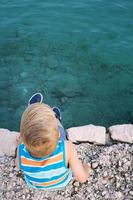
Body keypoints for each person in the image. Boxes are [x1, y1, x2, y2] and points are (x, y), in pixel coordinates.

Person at [15, 93, 92, 190]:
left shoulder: (21, 151)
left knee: (36, 129)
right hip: (61, 183)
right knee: (59, 126)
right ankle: (56, 118)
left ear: (23, 139)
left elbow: (18, 165)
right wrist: (86, 168)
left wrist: (20, 145)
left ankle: (33, 109)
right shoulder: (67, 148)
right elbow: (82, 178)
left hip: (36, 185)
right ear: (58, 135)